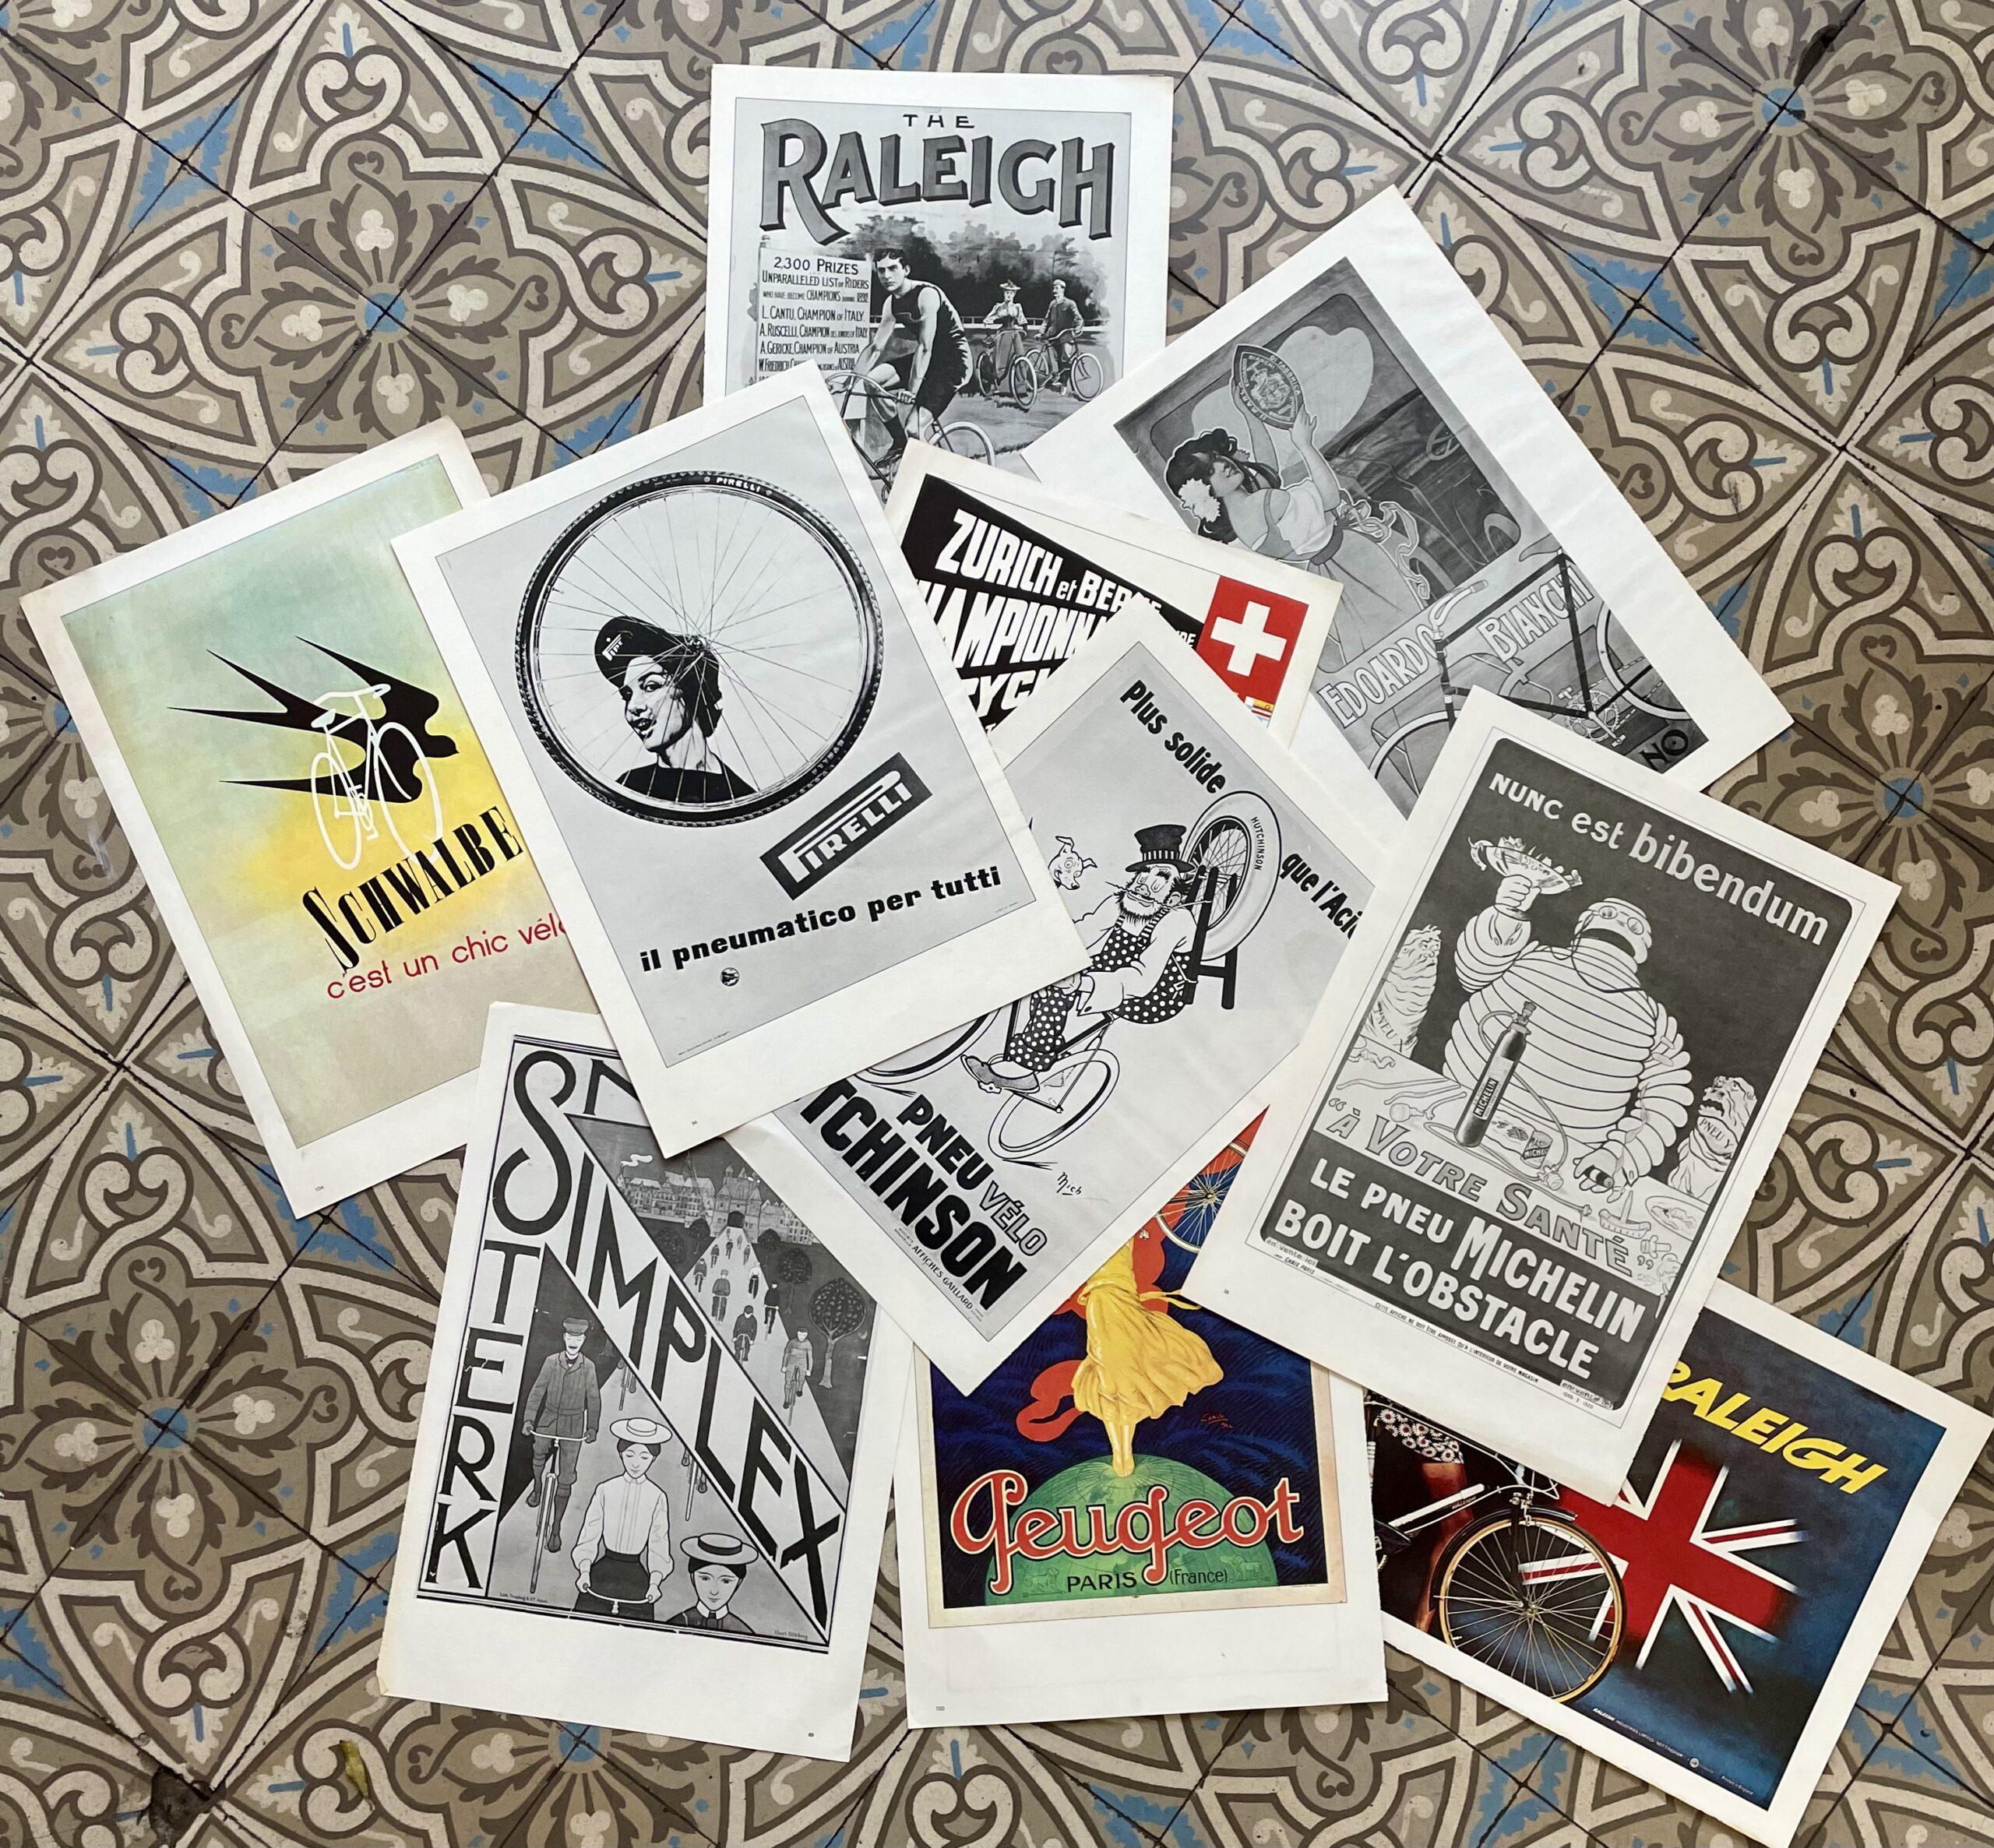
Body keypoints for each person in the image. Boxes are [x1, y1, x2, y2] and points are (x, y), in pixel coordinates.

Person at [1444, 862, 1693, 1192]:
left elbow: (1668, 1092)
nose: (1618, 921)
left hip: (1556, 1154)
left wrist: (1620, 1155)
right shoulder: (1532, 957)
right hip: (1455, 1104)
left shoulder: (1651, 1018)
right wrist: (1506, 914)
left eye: (1632, 925)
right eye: (1607, 913)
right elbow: (1474, 971)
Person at [1164, 401, 1428, 653]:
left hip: (1327, 576)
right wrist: (1304, 444)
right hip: (1349, 560)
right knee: (1409, 621)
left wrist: (1251, 416)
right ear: (1203, 491)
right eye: (1209, 471)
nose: (1222, 465)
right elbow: (1329, 498)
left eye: (1215, 457)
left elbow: (1267, 469)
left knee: (1377, 637)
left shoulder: (1241, 520)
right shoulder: (1263, 502)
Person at [964, 825, 1199, 1096]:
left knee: (1058, 990)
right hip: (1108, 970)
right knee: (1049, 977)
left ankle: (1023, 1071)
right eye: (1143, 874)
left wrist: (1081, 983)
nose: (1145, 884)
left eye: (1161, 878)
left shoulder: (1176, 921)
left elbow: (1142, 979)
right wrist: (1051, 946)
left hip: (1152, 996)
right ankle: (1048, 1059)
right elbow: (1087, 931)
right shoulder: (1122, 902)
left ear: (1174, 896)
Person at [593, 615, 751, 805]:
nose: (633, 707)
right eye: (627, 696)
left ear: (690, 689)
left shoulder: (742, 800)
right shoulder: (630, 789)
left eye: (651, 686)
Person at [853, 249, 972, 462]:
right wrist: (850, 381)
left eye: (893, 269)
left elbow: (925, 347)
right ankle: (900, 442)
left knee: (914, 429)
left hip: (954, 361)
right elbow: (876, 347)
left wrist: (912, 391)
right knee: (871, 382)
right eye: (881, 271)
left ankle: (932, 473)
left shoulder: (927, 294)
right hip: (930, 359)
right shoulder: (891, 303)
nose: (886, 276)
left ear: (906, 270)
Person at [572, 1417, 674, 1621]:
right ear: (620, 1454)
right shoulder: (605, 1489)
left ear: (653, 1459)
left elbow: (659, 1543)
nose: (636, 1463)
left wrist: (655, 1583)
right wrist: (584, 1571)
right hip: (602, 1572)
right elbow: (589, 1535)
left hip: (636, 1577)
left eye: (644, 1457)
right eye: (629, 1455)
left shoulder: (657, 1496)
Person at [523, 1317, 601, 1553]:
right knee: (538, 1452)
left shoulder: (588, 1367)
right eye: (570, 1338)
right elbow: (537, 1391)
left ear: (583, 1340)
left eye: (578, 1339)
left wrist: (592, 1427)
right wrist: (529, 1420)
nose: (574, 1342)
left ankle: (556, 1527)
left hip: (573, 1424)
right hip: (549, 1418)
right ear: (564, 1338)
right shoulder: (551, 1362)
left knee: (566, 1478)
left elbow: (594, 1398)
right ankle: (538, 1486)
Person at [665, 1533, 758, 1633]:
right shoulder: (676, 1625)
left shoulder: (743, 1631)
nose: (714, 1591)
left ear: (739, 1583)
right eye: (705, 1579)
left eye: (726, 1581)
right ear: (692, 1577)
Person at [1041, 278, 1083, 388]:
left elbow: (1079, 319)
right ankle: (1057, 378)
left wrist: (1077, 329)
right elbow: (1047, 320)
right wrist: (1041, 331)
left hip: (1066, 336)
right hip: (1054, 336)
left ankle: (1064, 384)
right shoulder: (1052, 304)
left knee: (1066, 359)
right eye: (1054, 288)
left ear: (1063, 290)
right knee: (1055, 359)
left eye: (1057, 288)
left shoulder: (1070, 303)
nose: (1054, 290)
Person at [988, 279, 1027, 389]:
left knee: (1020, 355)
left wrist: (1025, 330)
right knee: (1003, 359)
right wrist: (990, 332)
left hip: (1015, 332)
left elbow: (1022, 320)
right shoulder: (999, 307)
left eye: (1011, 293)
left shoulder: (1017, 307)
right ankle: (998, 381)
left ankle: (1023, 380)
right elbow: (988, 320)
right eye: (1007, 293)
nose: (1009, 295)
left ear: (1014, 294)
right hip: (1003, 333)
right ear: (1004, 294)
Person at [781, 1327, 815, 1415]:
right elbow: (786, 1354)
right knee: (788, 1381)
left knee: (802, 1376)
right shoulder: (792, 1342)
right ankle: (787, 1400)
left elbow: (810, 1357)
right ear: (797, 1333)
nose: (802, 1337)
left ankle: (799, 1389)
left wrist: (809, 1370)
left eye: (804, 1335)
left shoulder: (808, 1344)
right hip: (792, 1361)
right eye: (800, 1334)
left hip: (802, 1362)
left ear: (806, 1335)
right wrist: (784, 1366)